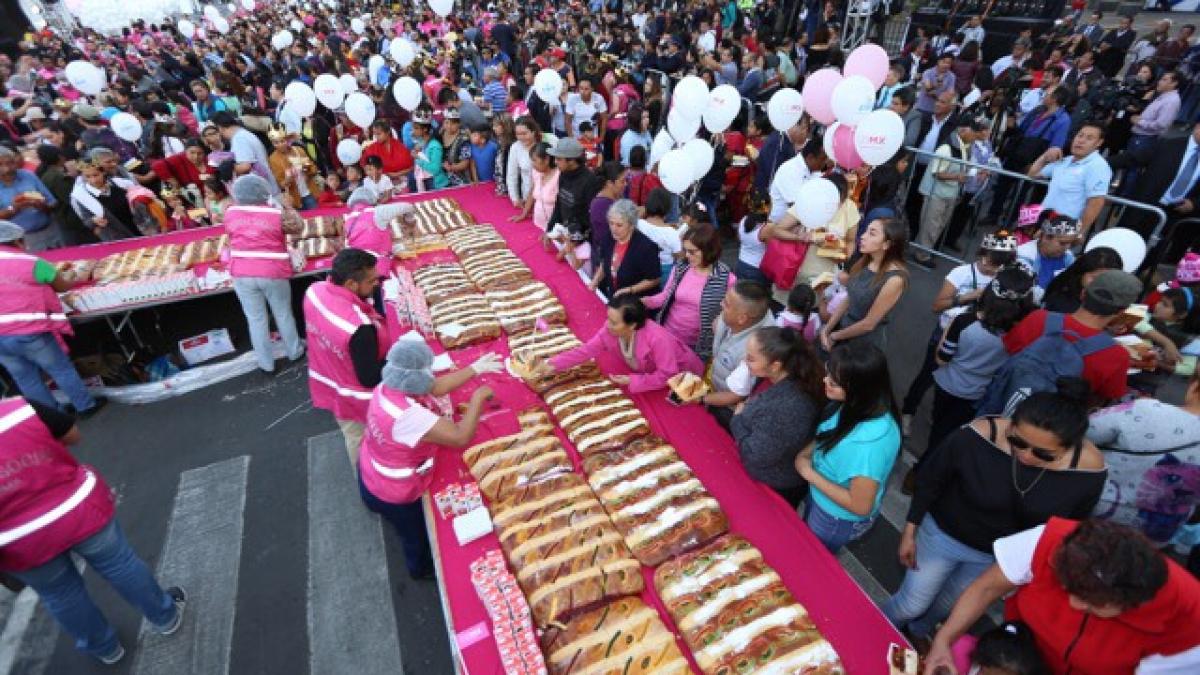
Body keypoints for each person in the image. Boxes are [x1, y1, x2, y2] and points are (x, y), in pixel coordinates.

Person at [885, 379, 1107, 642]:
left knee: (947, 607)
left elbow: (1069, 525)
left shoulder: (1088, 471)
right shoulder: (976, 437)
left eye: (1043, 455)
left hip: (995, 558)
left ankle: (913, 637)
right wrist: (910, 530)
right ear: (1010, 424)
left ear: (1069, 448)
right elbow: (931, 480)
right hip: (944, 535)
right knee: (912, 604)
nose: (1026, 456)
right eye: (1018, 442)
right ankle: (870, 627)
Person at [0, 396, 186, 665]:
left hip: (18, 540)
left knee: (60, 594)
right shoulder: (18, 408)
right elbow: (72, 435)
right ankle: (165, 616)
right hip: (75, 509)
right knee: (120, 564)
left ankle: (105, 648)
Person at [923, 518, 1200, 674]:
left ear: (1133, 602)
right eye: (1068, 589)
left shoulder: (1190, 622)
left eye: (1091, 603)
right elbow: (986, 588)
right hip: (1018, 657)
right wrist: (945, 639)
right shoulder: (1051, 539)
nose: (1072, 604)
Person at [359, 340, 497, 579]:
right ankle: (420, 568)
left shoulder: (389, 385)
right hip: (394, 491)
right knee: (414, 535)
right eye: (427, 372)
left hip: (370, 469)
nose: (431, 376)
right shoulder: (407, 415)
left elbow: (436, 387)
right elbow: (460, 437)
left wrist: (475, 368)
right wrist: (477, 400)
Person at [902, 231, 1017, 434]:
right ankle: (908, 411)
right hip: (947, 331)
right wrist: (969, 296)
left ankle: (939, 412)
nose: (994, 268)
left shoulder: (1005, 276)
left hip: (980, 336)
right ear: (983, 254)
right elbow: (937, 305)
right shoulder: (961, 273)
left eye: (1001, 264)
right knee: (928, 374)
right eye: (993, 261)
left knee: (961, 377)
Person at [796, 343, 902, 551]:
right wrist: (807, 455)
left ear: (858, 389)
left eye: (834, 383)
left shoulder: (868, 446)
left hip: (834, 518)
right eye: (828, 373)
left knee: (811, 556)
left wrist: (807, 471)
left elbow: (861, 505)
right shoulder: (862, 405)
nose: (825, 381)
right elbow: (831, 433)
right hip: (822, 499)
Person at [926, 264, 1039, 452]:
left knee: (938, 431)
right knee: (956, 431)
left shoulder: (964, 322)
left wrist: (947, 332)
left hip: (948, 385)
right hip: (980, 393)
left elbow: (942, 359)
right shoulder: (1021, 333)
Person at [0, 219, 104, 415]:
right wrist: (75, 277)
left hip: (1, 338)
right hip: (29, 330)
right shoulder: (31, 262)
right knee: (59, 369)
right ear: (18, 241)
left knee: (26, 378)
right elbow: (62, 286)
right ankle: (85, 406)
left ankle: (53, 418)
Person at [1087, 368, 1200, 547]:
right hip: (1160, 530)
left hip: (1100, 508)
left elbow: (1085, 431)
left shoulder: (1146, 410)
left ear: (1195, 385)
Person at [999, 270, 1141, 408]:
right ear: (1121, 311)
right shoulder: (1117, 355)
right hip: (1050, 423)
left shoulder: (1038, 318)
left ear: (1083, 293)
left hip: (1004, 401)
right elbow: (1108, 395)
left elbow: (1008, 351)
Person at [729, 326, 826, 507]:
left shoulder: (788, 408)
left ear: (775, 365)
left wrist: (738, 420)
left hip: (773, 486)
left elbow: (756, 455)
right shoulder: (777, 377)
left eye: (751, 359)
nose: (744, 360)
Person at [223, 174, 305, 375]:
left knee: (255, 319)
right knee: (283, 313)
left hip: (241, 271)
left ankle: (266, 364)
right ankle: (294, 352)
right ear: (264, 192)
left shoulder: (230, 212)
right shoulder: (275, 214)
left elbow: (230, 237)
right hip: (273, 270)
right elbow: (298, 227)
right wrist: (287, 206)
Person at [539, 294, 703, 393]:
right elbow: (587, 350)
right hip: (652, 375)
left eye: (614, 322)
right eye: (608, 319)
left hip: (684, 376)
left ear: (632, 325)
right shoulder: (610, 329)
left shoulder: (657, 339)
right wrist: (553, 364)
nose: (608, 325)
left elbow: (668, 374)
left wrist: (634, 381)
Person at [643, 222, 735, 360]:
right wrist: (643, 301)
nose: (686, 255)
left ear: (709, 250)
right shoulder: (681, 267)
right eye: (685, 250)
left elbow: (728, 314)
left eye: (692, 251)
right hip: (668, 335)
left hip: (698, 347)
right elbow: (665, 296)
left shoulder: (726, 279)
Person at [822, 218, 909, 352]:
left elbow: (869, 324)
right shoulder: (865, 261)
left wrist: (834, 336)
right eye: (866, 231)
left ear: (886, 244)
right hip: (843, 331)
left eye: (872, 233)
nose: (862, 236)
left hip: (863, 346)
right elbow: (849, 298)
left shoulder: (895, 279)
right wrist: (827, 329)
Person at [913, 118, 988, 266]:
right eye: (974, 134)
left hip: (949, 193)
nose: (975, 138)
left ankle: (925, 250)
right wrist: (958, 177)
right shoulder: (946, 148)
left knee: (938, 224)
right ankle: (922, 254)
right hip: (936, 193)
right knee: (931, 224)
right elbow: (937, 172)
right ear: (963, 131)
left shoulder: (965, 146)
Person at [1026, 123, 1112, 237]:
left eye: (1089, 138)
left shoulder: (1098, 166)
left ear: (1099, 143)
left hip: (1064, 228)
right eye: (1080, 135)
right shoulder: (1066, 160)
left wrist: (1078, 233)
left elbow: (1096, 202)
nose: (1081, 140)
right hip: (1042, 219)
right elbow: (1032, 174)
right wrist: (1045, 156)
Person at [590, 198, 660, 298]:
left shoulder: (646, 247)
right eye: (611, 223)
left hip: (635, 301)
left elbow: (654, 279)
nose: (613, 228)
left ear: (631, 225)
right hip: (614, 296)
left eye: (619, 225)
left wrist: (630, 290)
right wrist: (595, 281)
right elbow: (605, 262)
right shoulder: (609, 237)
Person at [0, 146, 59, 251]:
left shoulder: (28, 175)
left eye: (10, 163)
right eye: (0, 165)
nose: (7, 169)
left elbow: (52, 202)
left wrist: (41, 205)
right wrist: (13, 208)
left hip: (50, 230)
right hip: (22, 240)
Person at [1040, 247, 1124, 314]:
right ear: (1082, 272)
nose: (1101, 284)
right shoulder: (1061, 299)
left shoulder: (1108, 297)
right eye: (1095, 278)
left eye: (1108, 280)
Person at [212, 111, 279, 194]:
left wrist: (225, 168)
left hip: (264, 192)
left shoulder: (239, 139)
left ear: (220, 128)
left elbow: (245, 166)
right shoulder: (242, 134)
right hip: (264, 189)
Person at [1016, 214, 1079, 291]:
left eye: (1070, 243)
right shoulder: (1023, 256)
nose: (1067, 248)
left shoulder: (1068, 257)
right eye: (1062, 243)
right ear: (1046, 237)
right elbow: (1027, 291)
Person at [267, 125, 320, 210]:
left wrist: (305, 168)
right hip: (294, 199)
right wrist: (288, 178)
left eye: (282, 141)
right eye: (276, 143)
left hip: (309, 193)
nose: (280, 144)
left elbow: (314, 169)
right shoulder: (273, 159)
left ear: (287, 140)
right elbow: (281, 184)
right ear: (273, 144)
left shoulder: (299, 150)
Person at [361, 120, 413, 184]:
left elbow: (412, 167)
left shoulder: (400, 146)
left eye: (379, 134)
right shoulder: (371, 149)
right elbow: (366, 168)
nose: (376, 137)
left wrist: (396, 174)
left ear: (388, 132)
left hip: (403, 181)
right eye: (375, 134)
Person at [505, 116, 540, 209]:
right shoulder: (515, 147)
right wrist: (515, 198)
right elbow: (512, 175)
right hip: (527, 196)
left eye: (524, 133)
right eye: (518, 134)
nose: (521, 137)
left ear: (534, 132)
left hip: (546, 196)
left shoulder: (545, 145)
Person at [410, 109, 448, 191]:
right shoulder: (421, 142)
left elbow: (435, 169)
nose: (413, 131)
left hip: (436, 185)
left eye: (416, 128)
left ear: (425, 129)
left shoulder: (435, 146)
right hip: (427, 183)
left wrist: (418, 159)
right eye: (413, 128)